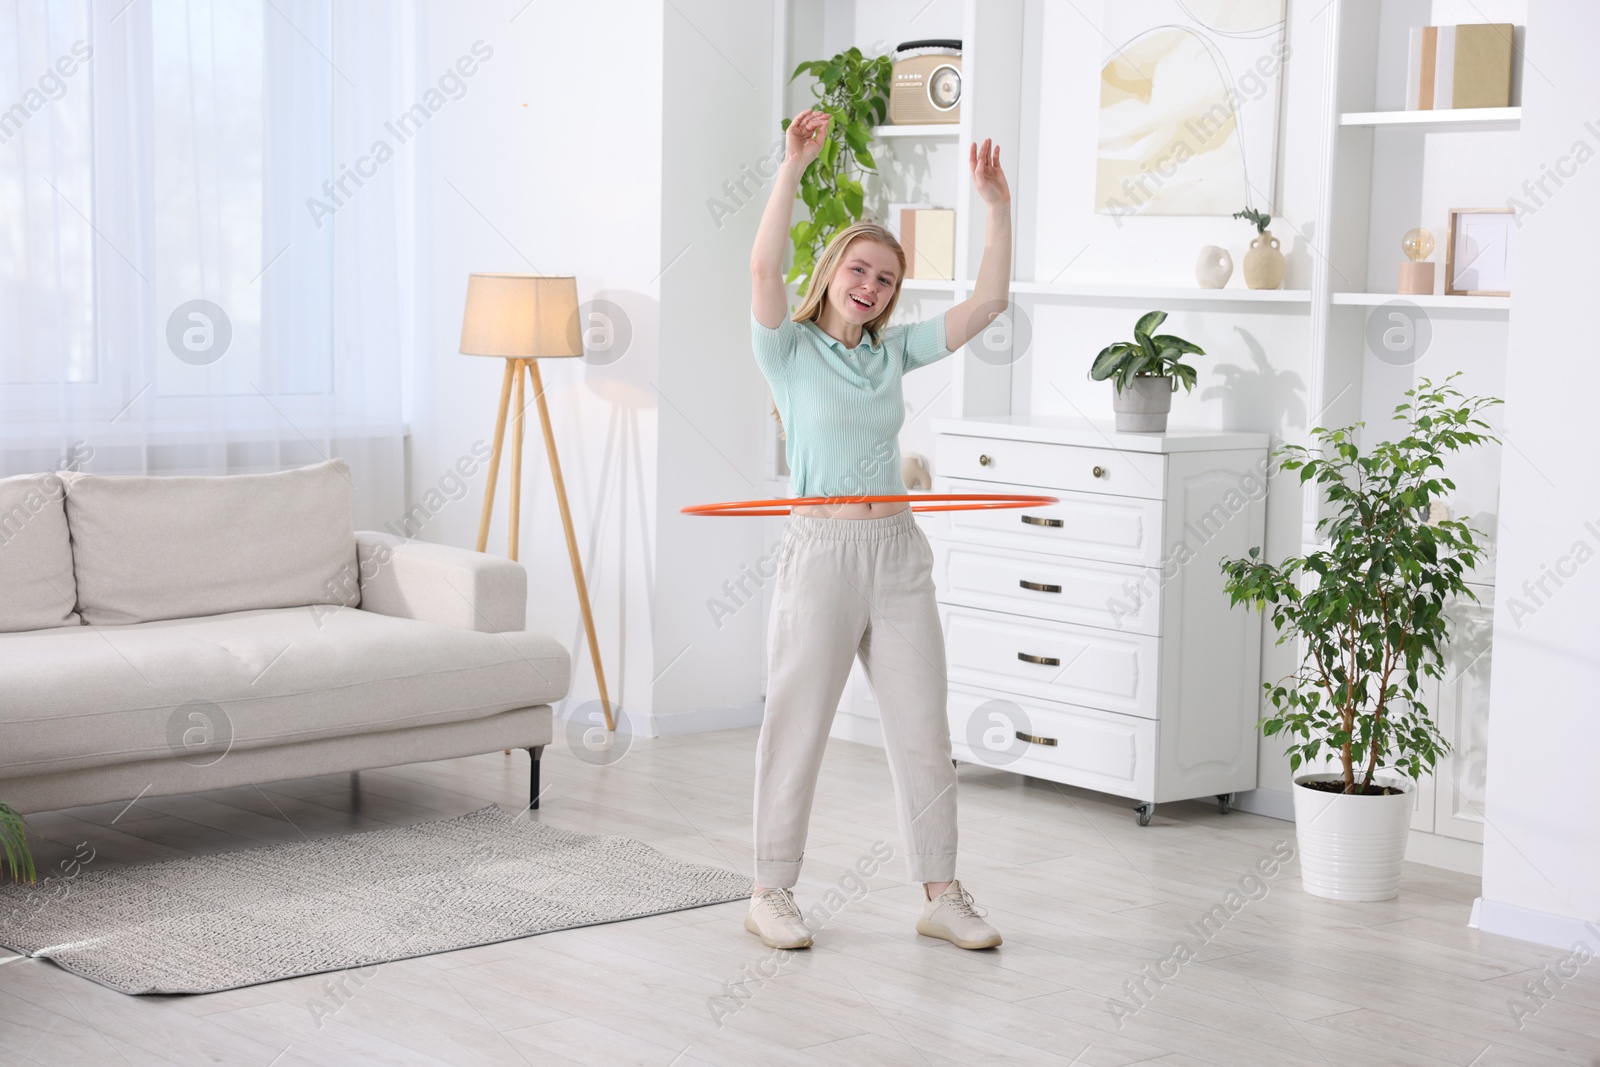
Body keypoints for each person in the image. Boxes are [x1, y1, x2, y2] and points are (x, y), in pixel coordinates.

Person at [745, 107, 1013, 951]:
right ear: (831, 273)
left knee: (922, 724)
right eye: (859, 269)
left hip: (896, 552)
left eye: (887, 279)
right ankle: (771, 890)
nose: (871, 286)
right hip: (822, 550)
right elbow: (760, 264)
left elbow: (989, 303)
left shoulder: (891, 355)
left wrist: (996, 206)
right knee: (797, 720)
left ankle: (941, 891)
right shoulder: (785, 349)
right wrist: (791, 164)